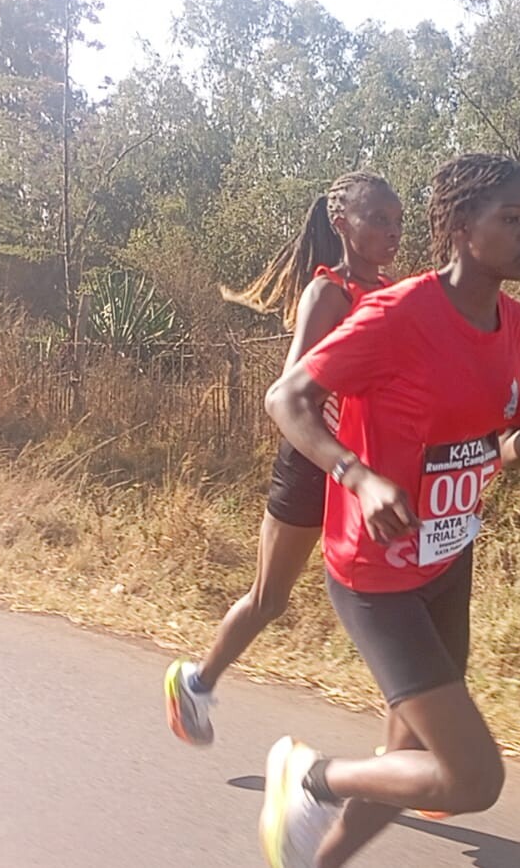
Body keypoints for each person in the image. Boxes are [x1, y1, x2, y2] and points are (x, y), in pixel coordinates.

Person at [258, 153, 520, 868]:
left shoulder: (518, 327)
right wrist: (358, 476)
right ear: (461, 227)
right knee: (471, 777)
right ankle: (312, 776)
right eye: (512, 218)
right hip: (377, 574)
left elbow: (501, 452)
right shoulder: (397, 315)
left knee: (407, 754)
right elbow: (287, 399)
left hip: (446, 559)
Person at [164, 171, 402, 746]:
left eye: (398, 221)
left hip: (371, 469)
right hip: (315, 464)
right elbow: (290, 391)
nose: (393, 232)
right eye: (379, 220)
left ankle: (406, 751)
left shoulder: (395, 293)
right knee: (270, 599)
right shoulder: (327, 294)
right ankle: (195, 684)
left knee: (397, 606)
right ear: (342, 223)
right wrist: (339, 433)